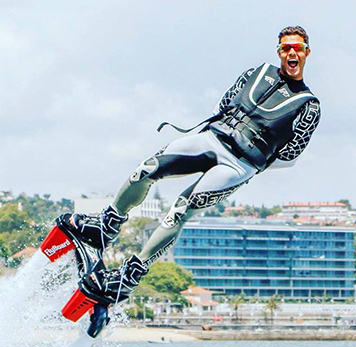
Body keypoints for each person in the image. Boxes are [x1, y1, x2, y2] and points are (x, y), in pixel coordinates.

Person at [69, 25, 321, 306]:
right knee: (147, 169)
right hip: (211, 140)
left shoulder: (308, 105)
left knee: (180, 209)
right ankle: (106, 224)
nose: (291, 53)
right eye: (286, 47)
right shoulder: (256, 72)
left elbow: (291, 154)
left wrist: (255, 160)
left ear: (307, 52)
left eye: (297, 47)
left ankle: (129, 276)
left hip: (239, 165)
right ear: (279, 51)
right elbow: (224, 102)